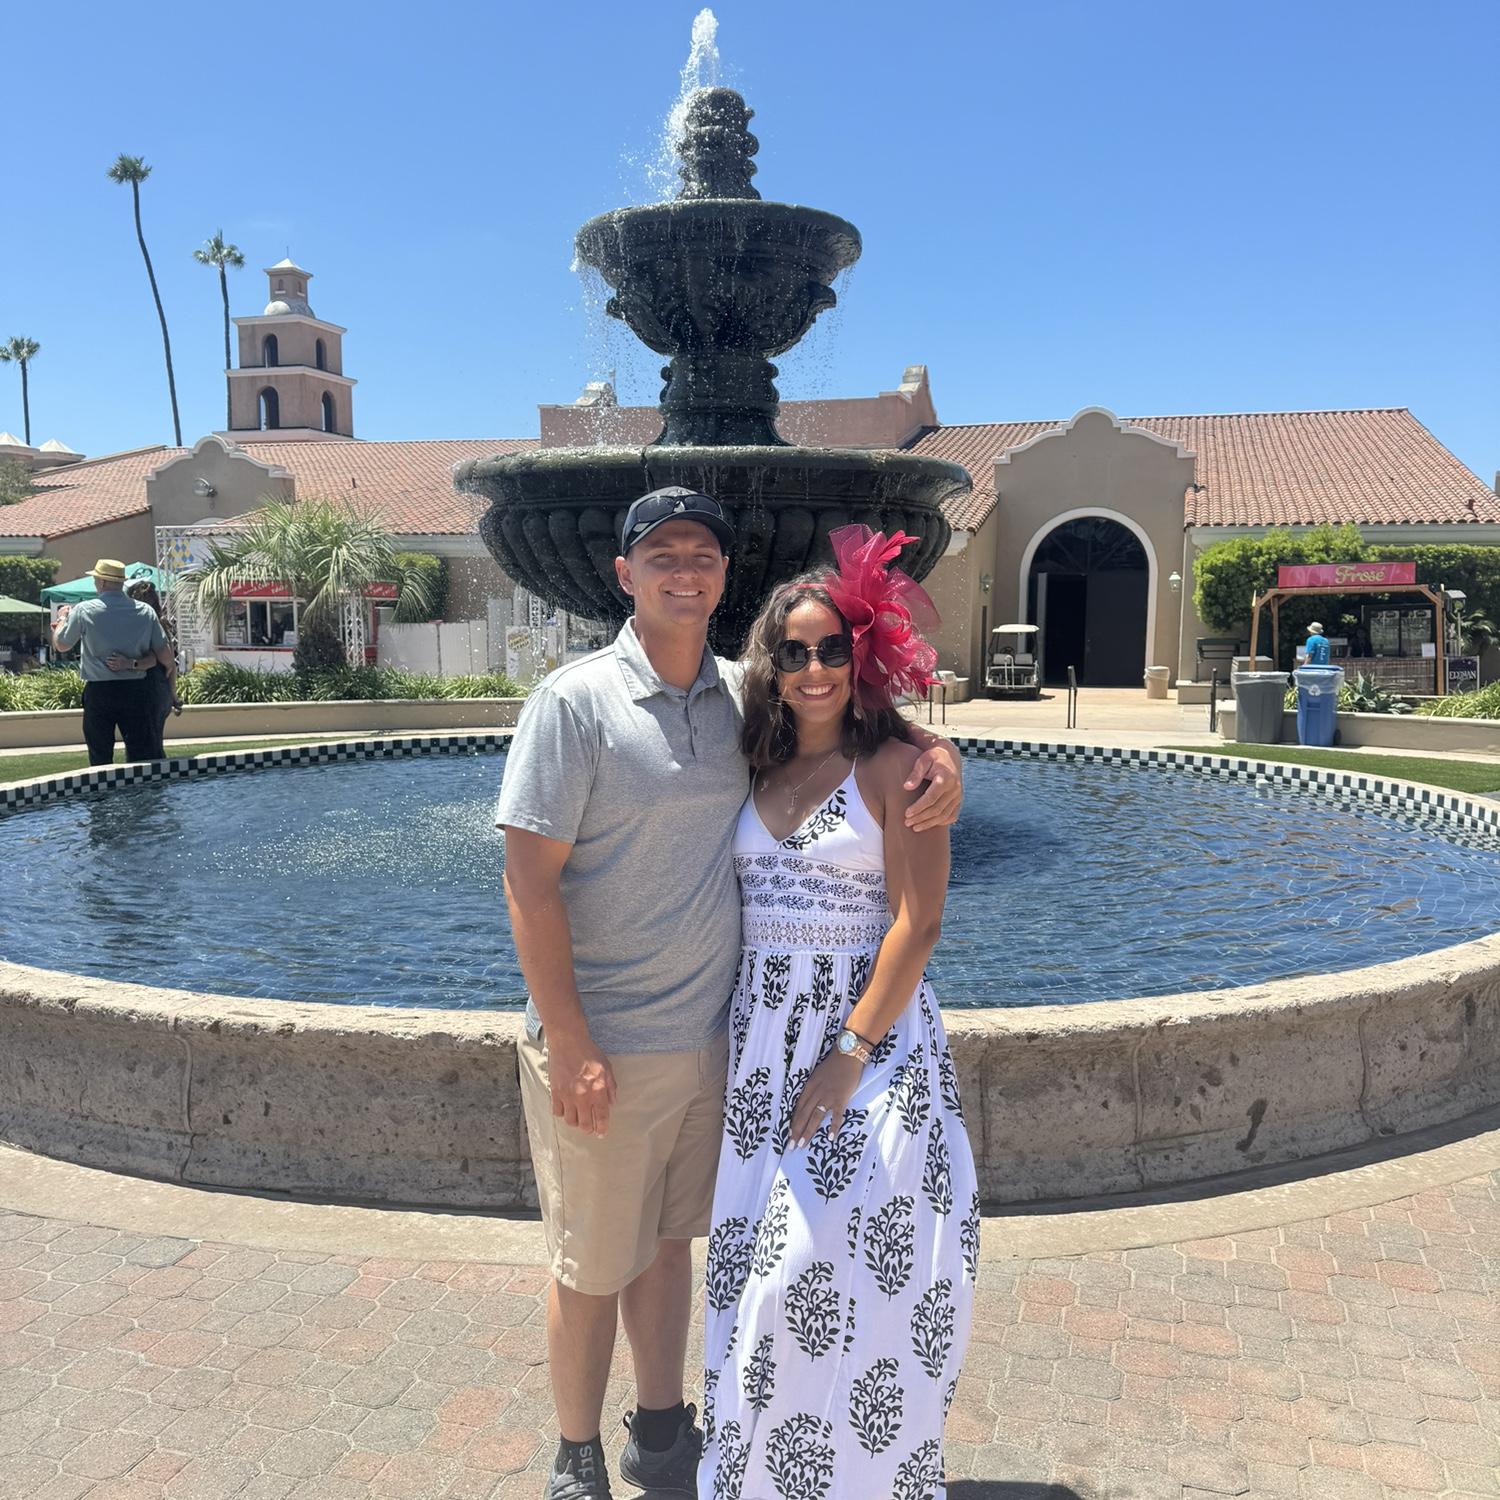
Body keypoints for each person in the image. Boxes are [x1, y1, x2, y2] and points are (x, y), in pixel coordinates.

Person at [495, 488, 963, 1500]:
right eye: (660, 553)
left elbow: (869, 763)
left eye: (701, 553)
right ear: (623, 573)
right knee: (593, 1261)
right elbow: (526, 884)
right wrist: (567, 1038)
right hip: (616, 1043)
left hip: (736, 1045)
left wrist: (935, 752)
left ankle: (669, 1432)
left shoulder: (733, 702)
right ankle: (576, 1457)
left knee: (688, 1250)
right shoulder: (576, 703)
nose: (810, 668)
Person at [699, 527, 976, 1500]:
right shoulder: (753, 760)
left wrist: (850, 1052)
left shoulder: (898, 767)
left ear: (861, 657)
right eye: (794, 651)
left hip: (867, 1044)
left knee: (816, 1278)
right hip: (761, 1047)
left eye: (831, 649)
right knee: (748, 1274)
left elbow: (919, 922)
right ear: (769, 666)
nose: (814, 669)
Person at [51, 560, 170, 767]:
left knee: (100, 756)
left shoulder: (84, 610)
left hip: (100, 692)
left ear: (103, 582)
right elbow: (163, 654)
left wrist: (61, 619)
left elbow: (61, 644)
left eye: (96, 579)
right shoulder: (145, 611)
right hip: (136, 692)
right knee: (142, 757)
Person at [116, 578, 181, 759]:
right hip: (160, 690)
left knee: (139, 749)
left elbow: (158, 660)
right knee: (154, 745)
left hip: (141, 690)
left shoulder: (132, 625)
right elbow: (170, 664)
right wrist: (173, 695)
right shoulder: (161, 624)